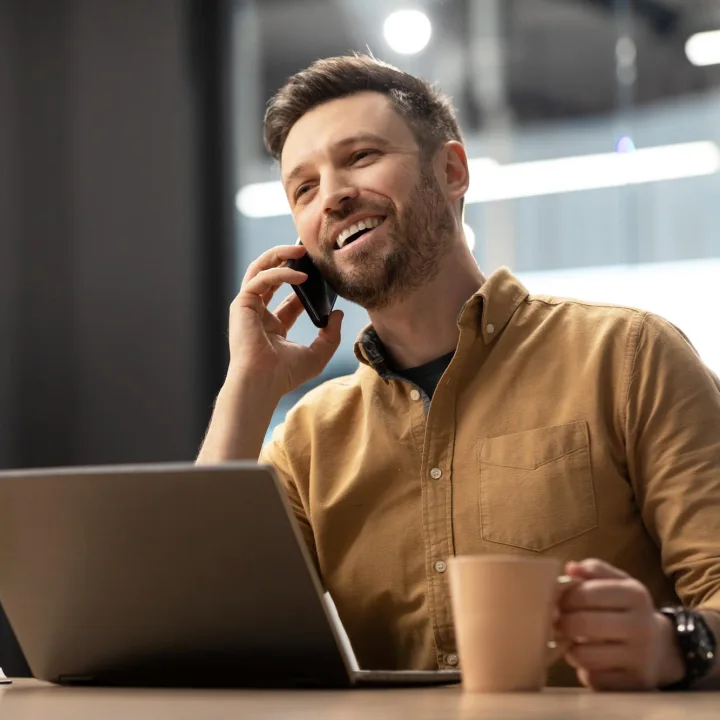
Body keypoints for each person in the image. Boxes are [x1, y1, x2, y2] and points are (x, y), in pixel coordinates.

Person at [197, 55, 720, 691]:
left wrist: (673, 646)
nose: (332, 195)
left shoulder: (630, 356)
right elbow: (193, 633)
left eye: (360, 157)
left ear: (451, 171)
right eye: (303, 189)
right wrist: (245, 391)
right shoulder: (308, 440)